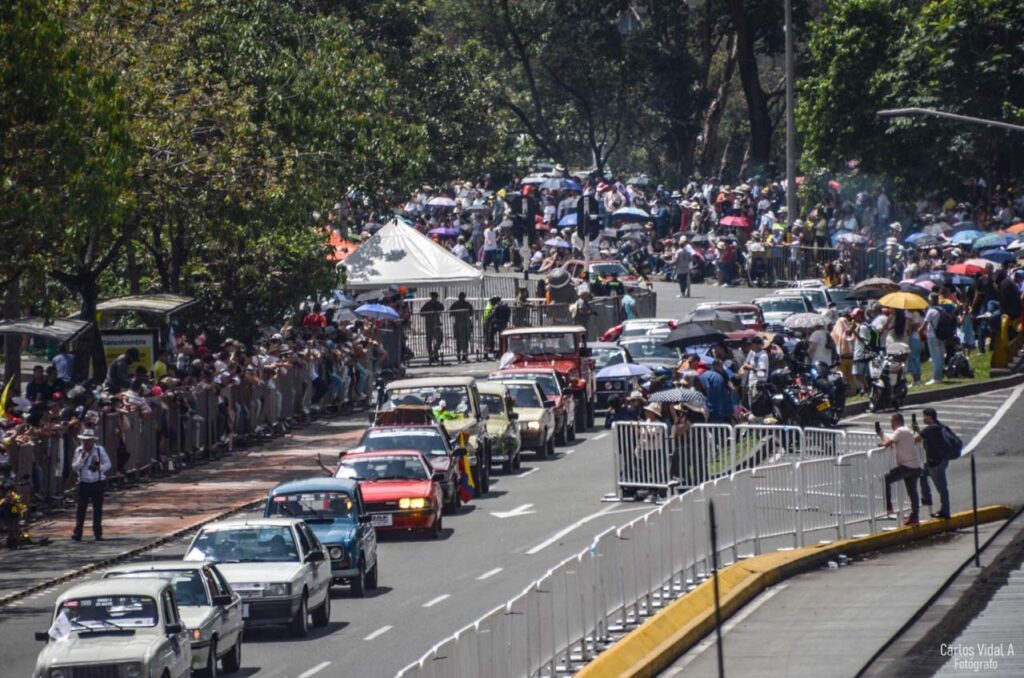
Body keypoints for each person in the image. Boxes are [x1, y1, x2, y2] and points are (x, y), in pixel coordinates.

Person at [877, 413, 921, 526]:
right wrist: (881, 434)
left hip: (906, 466)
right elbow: (892, 440)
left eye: (892, 423)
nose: (891, 426)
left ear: (897, 421)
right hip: (915, 466)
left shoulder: (900, 430)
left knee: (886, 479)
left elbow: (888, 442)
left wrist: (881, 444)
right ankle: (915, 517)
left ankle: (888, 505)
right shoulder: (908, 431)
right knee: (912, 493)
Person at [70, 428, 112, 541]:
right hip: (84, 483)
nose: (86, 443)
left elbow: (108, 464)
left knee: (97, 509)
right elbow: (74, 467)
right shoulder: (79, 451)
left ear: (93, 441)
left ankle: (98, 532)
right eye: (85, 441)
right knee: (81, 509)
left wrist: (99, 469)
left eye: (89, 440)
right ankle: (78, 533)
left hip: (97, 482)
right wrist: (82, 458)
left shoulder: (99, 450)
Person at [913, 408, 952, 520]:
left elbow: (916, 439)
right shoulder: (941, 426)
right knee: (922, 473)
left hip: (936, 462)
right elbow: (926, 438)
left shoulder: (930, 429)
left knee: (941, 488)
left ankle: (945, 511)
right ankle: (927, 498)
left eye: (924, 416)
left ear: (930, 417)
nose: (923, 418)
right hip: (942, 460)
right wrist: (918, 430)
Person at [739, 336, 769, 409]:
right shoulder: (752, 352)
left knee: (757, 408)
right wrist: (743, 368)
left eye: (751, 344)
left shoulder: (763, 355)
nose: (749, 346)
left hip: (758, 385)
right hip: (751, 384)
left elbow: (762, 371)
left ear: (757, 344)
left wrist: (750, 367)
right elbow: (746, 363)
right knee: (751, 406)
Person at [923, 294, 945, 385]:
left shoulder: (931, 311)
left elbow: (923, 325)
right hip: (941, 335)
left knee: (935, 357)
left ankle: (936, 378)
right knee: (940, 356)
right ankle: (940, 375)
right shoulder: (941, 309)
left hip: (932, 335)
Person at [421, 291, 445, 364]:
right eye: (434, 297)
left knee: (440, 339)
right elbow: (422, 312)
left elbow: (442, 307)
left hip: (437, 324)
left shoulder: (438, 304)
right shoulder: (427, 304)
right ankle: (431, 355)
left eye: (436, 297)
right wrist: (430, 312)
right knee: (429, 341)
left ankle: (435, 352)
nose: (435, 298)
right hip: (429, 324)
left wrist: (436, 310)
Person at [449, 292, 474, 362]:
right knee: (460, 341)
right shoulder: (463, 304)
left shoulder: (464, 304)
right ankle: (461, 355)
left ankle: (463, 355)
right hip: (461, 324)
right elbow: (451, 313)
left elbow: (471, 313)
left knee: (463, 341)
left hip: (463, 324)